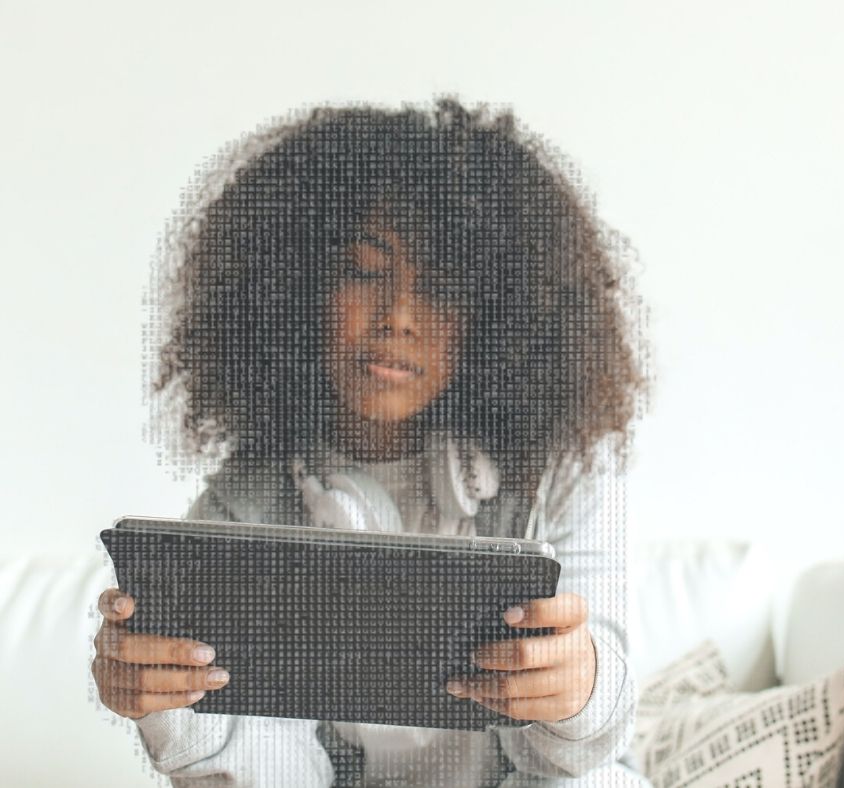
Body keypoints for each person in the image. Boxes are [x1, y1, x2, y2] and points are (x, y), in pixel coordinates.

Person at [91, 97, 652, 786]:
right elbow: (260, 766)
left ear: (498, 315)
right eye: (363, 270)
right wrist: (168, 703)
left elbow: (590, 746)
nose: (398, 317)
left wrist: (580, 690)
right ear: (297, 284)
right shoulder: (247, 504)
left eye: (441, 287)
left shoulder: (562, 476)